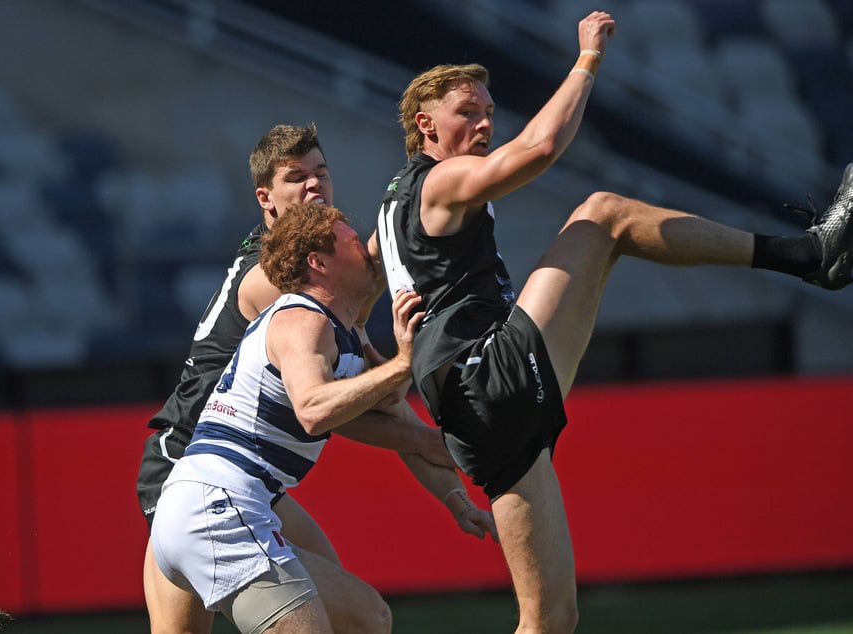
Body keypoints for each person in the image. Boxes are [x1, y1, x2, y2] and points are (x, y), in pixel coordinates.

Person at [371, 10, 852, 633]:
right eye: (468, 111)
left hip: (472, 418)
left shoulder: (391, 203)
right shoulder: (439, 180)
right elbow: (540, 148)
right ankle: (811, 254)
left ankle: (815, 255)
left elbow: (372, 281)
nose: (486, 121)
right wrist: (587, 60)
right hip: (487, 377)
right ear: (424, 124)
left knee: (550, 620)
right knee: (603, 215)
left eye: (489, 109)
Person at [137, 124, 496, 633]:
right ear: (266, 199)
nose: (314, 186)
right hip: (184, 464)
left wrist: (454, 495)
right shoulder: (284, 289)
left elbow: (379, 401)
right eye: (297, 177)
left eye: (321, 174)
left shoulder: (325, 293)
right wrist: (409, 401)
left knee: (357, 615)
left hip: (244, 481)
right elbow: (326, 409)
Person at [149, 202, 423, 633]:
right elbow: (314, 409)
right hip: (218, 507)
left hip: (210, 506)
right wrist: (403, 364)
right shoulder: (302, 319)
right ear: (318, 262)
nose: (367, 252)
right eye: (353, 242)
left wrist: (448, 472)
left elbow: (379, 403)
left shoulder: (333, 330)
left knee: (367, 617)